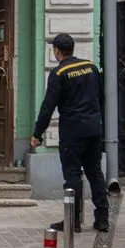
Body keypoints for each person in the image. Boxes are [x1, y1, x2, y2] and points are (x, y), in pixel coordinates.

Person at [31, 33, 109, 233]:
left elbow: (48, 107)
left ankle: (72, 220)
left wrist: (37, 134)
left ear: (57, 51)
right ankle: (102, 218)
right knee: (95, 172)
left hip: (73, 131)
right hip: (93, 128)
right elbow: (101, 98)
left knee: (72, 175)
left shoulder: (59, 73)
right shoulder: (91, 67)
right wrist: (96, 120)